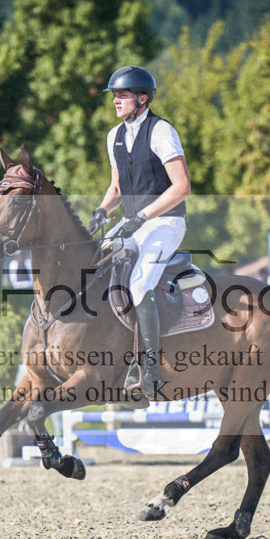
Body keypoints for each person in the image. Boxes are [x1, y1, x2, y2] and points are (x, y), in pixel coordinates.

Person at [86, 65, 191, 400]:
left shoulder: (161, 132)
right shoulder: (113, 136)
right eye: (114, 95)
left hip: (166, 223)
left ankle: (151, 374)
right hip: (132, 222)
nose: (116, 101)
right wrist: (103, 211)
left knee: (139, 282)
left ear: (142, 99)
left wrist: (142, 216)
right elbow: (117, 186)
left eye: (123, 95)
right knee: (93, 265)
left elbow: (182, 186)